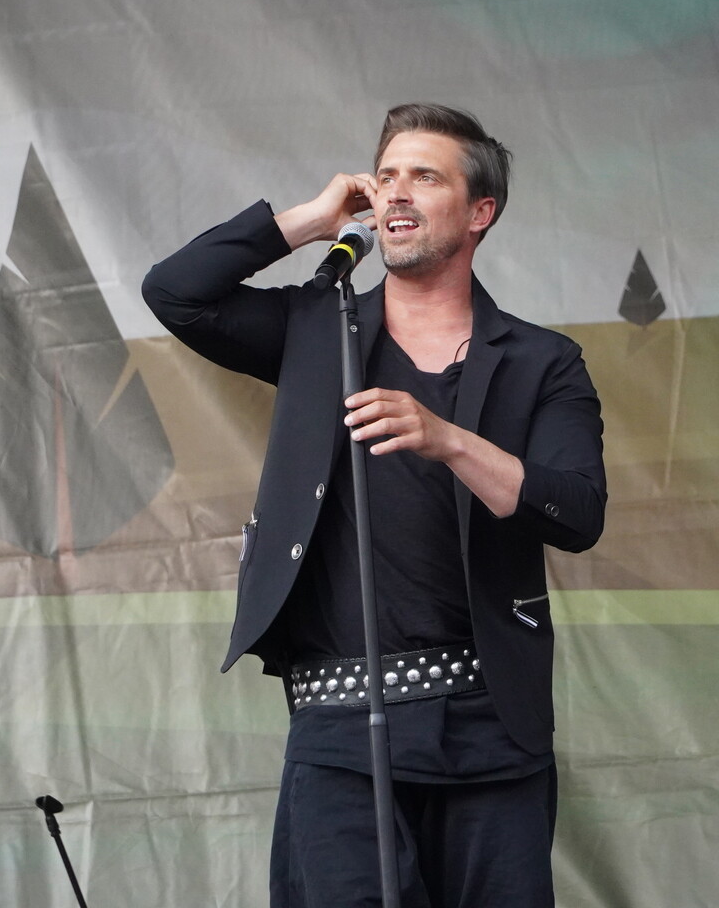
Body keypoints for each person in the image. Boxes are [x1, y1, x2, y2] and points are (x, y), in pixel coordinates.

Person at [141, 104, 607, 907]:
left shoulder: (541, 361)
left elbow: (577, 512)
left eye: (424, 176)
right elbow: (175, 293)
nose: (395, 192)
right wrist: (309, 221)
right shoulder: (316, 329)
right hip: (338, 721)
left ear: (480, 212)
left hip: (487, 720)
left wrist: (448, 439)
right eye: (386, 176)